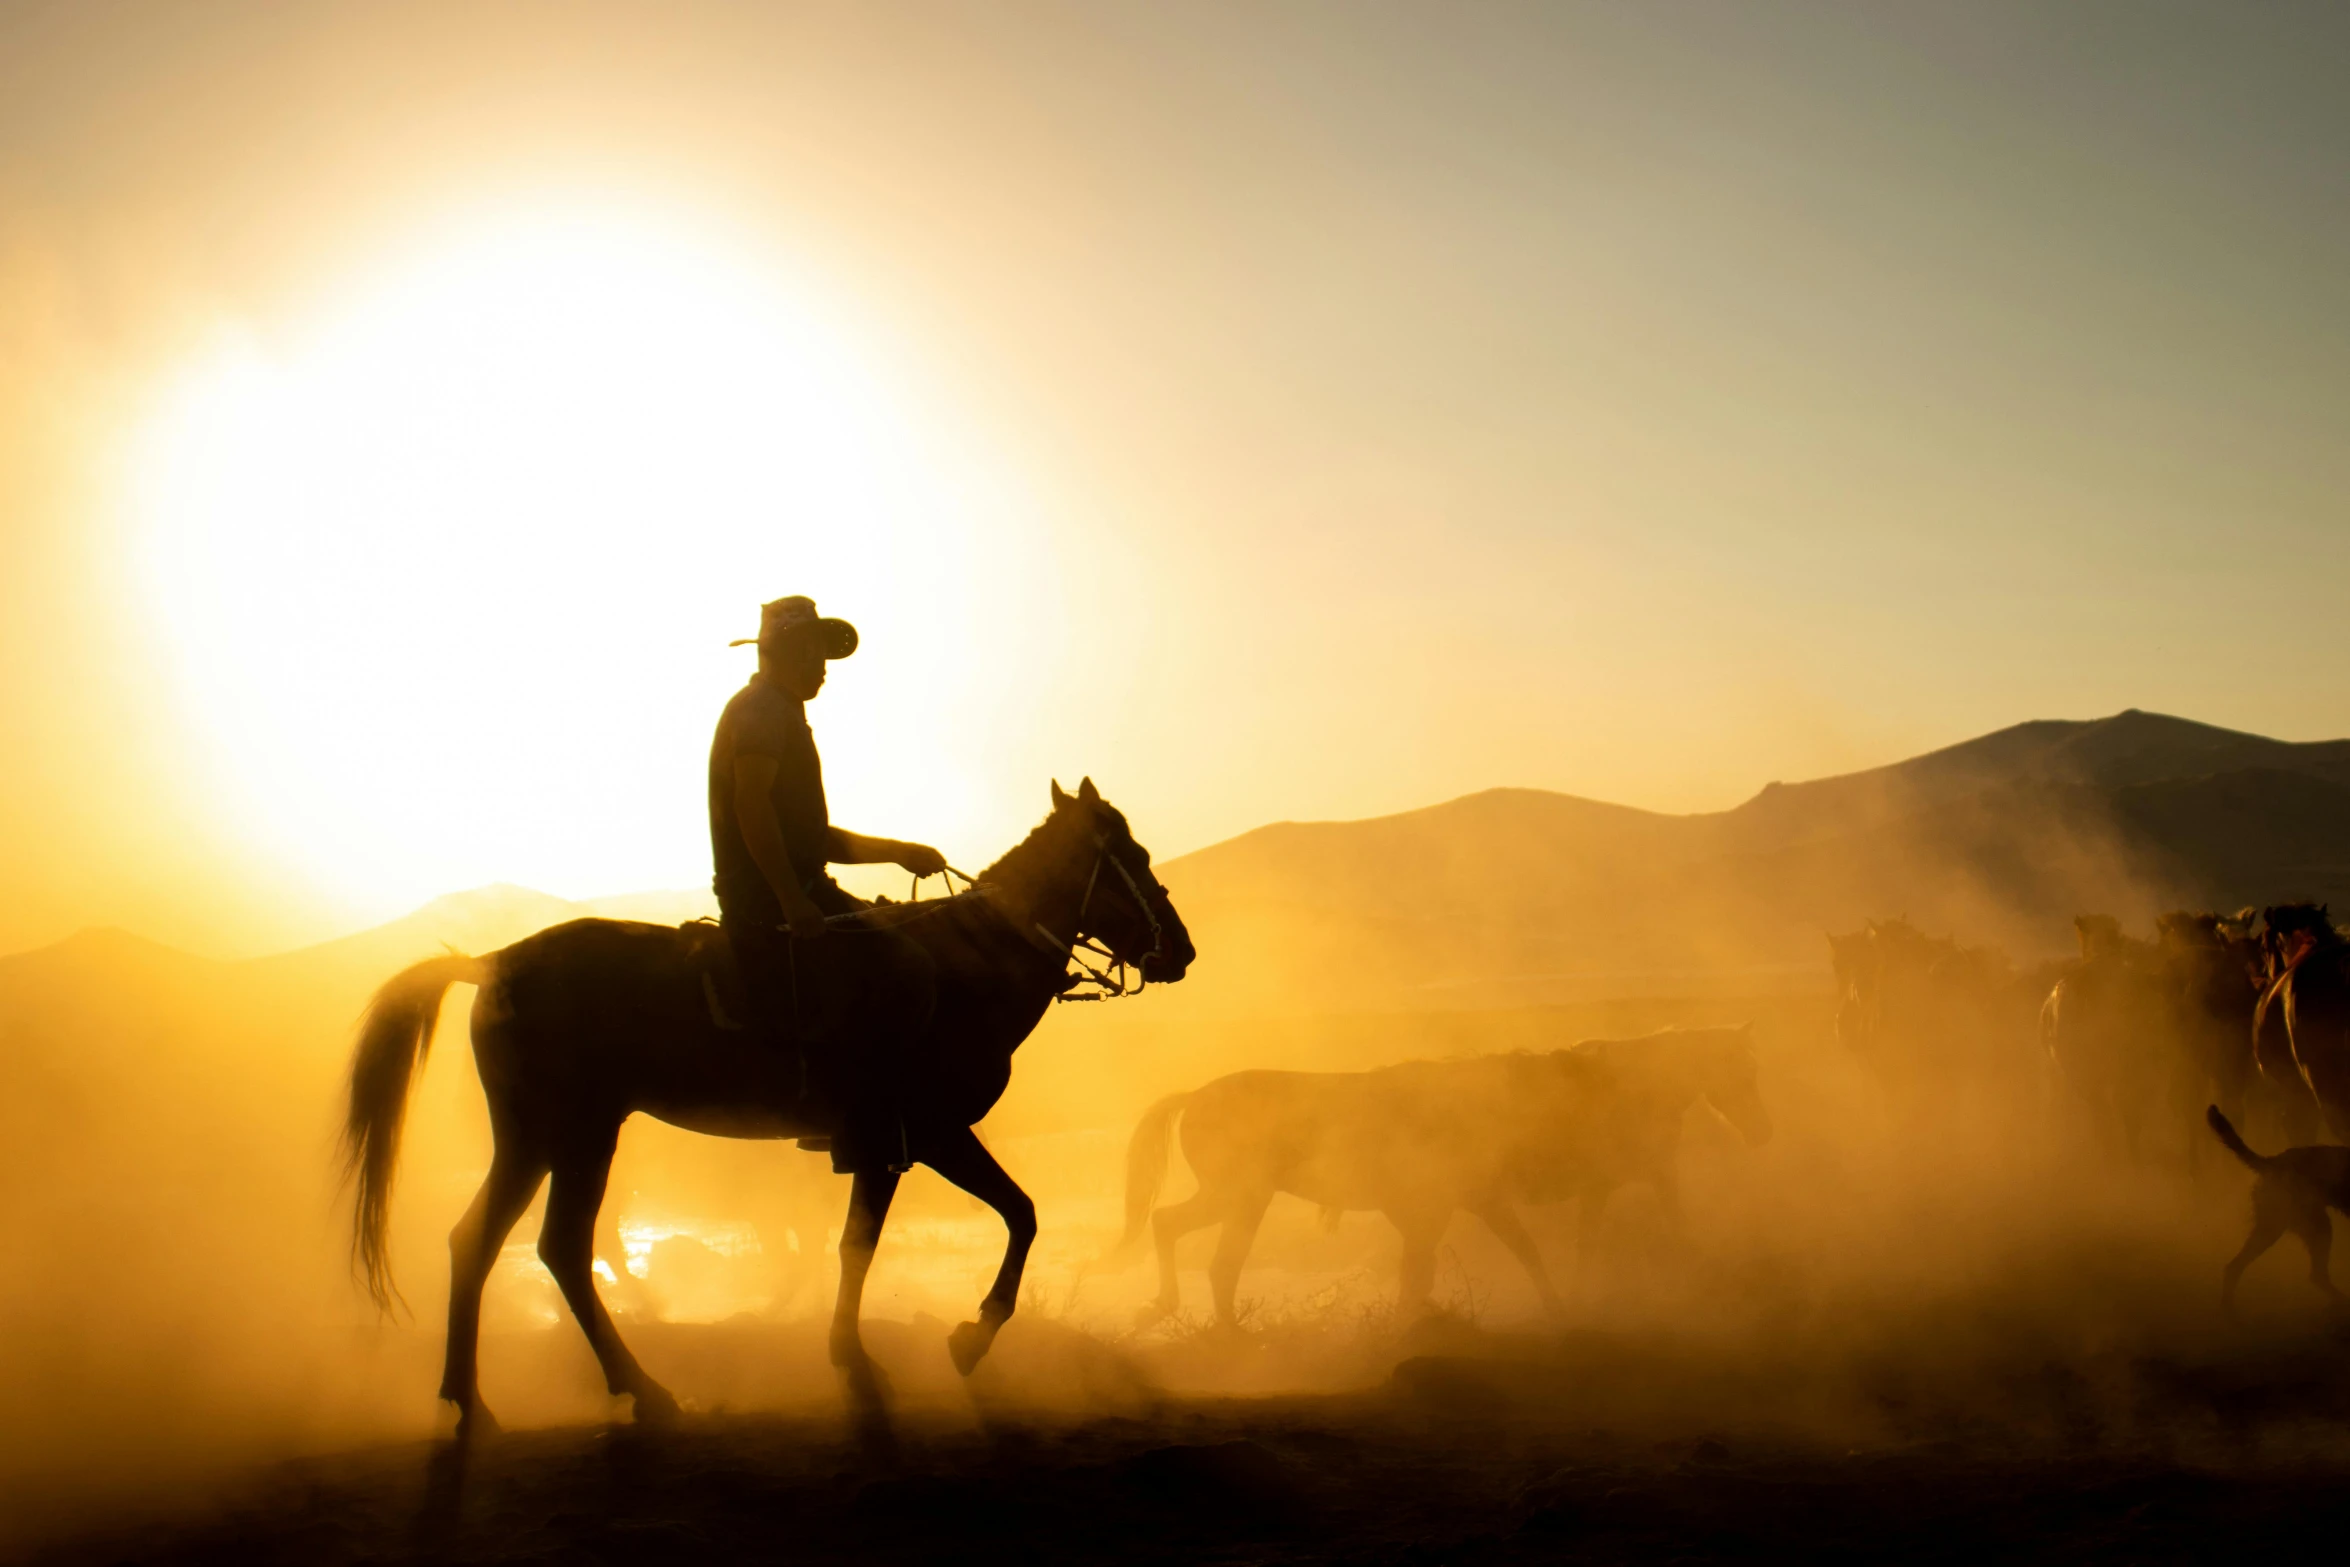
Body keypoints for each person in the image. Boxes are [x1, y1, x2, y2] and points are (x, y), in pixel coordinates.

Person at [709, 595, 945, 1173]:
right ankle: (854, 1122)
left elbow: (812, 837)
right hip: (768, 896)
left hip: (790, 886)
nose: (823, 667)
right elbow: (751, 805)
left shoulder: (778, 711)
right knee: (903, 967)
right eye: (812, 652)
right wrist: (791, 897)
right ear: (783, 651)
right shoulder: (764, 710)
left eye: (823, 655)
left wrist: (899, 853)